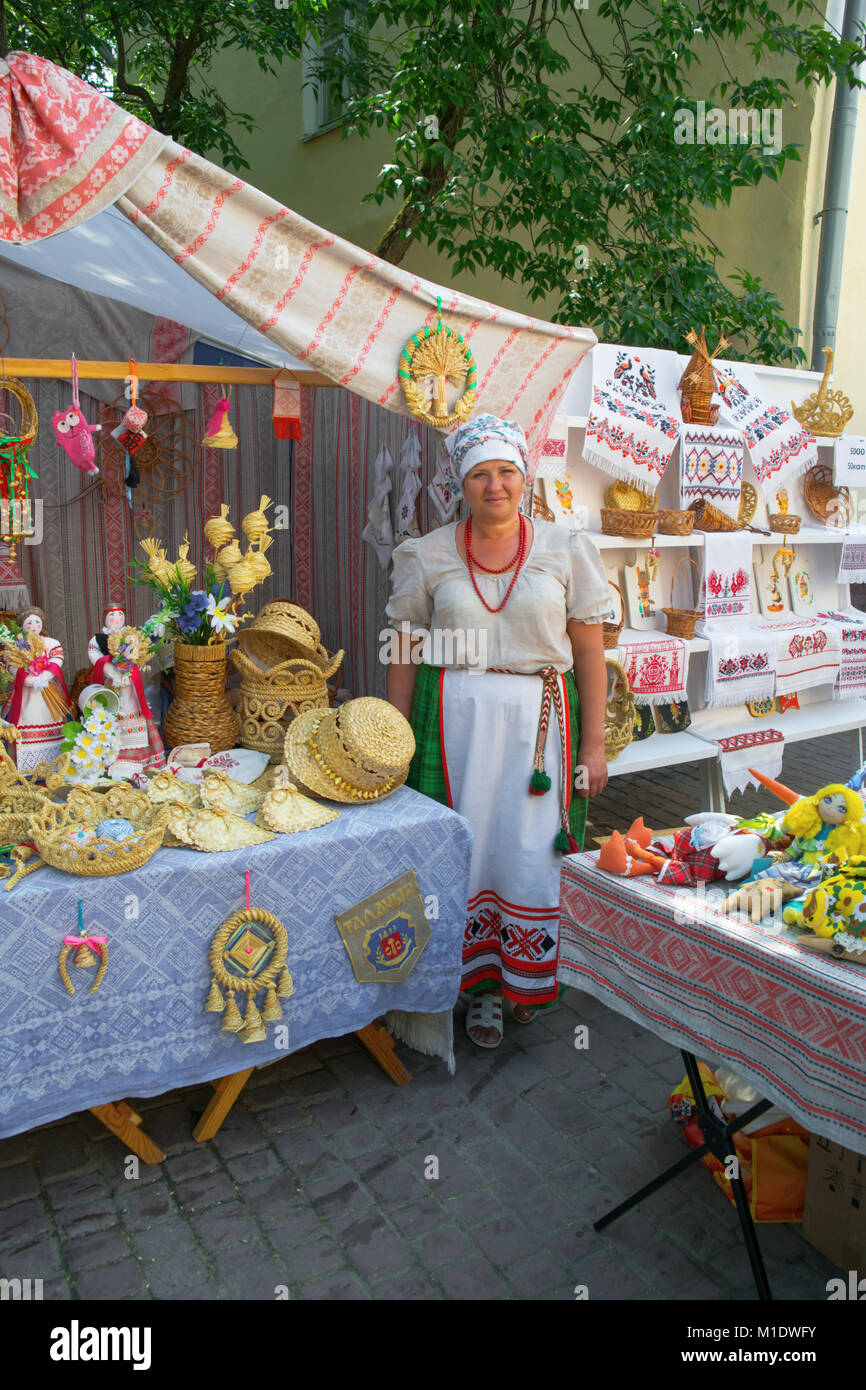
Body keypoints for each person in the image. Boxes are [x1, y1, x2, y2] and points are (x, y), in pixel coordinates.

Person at [386, 414, 610, 1048]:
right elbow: (404, 650)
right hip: (453, 725)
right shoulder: (427, 553)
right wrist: (393, 743)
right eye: (480, 474)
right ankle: (477, 991)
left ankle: (528, 974)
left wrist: (594, 745)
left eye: (506, 471)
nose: (495, 486)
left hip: (540, 727)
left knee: (529, 850)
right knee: (468, 848)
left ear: (525, 477)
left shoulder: (565, 549)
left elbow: (590, 655)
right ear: (460, 483)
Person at [2, 606, 72, 771]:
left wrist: (44, 677)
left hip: (48, 689)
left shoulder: (51, 643)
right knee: (27, 718)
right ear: (22, 626)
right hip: (27, 694)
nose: (34, 625)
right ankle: (29, 769)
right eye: (29, 622)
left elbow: (57, 661)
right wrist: (30, 680)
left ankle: (55, 764)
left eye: (37, 621)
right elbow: (11, 665)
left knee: (52, 717)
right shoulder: (16, 646)